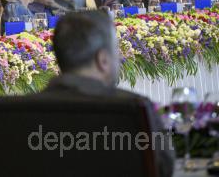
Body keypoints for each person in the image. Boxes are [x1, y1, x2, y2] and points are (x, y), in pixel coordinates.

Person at [37, 11, 173, 177]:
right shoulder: (134, 109)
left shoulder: (20, 112)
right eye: (116, 50)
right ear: (103, 60)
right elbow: (163, 169)